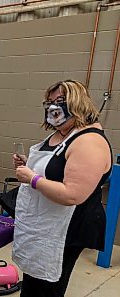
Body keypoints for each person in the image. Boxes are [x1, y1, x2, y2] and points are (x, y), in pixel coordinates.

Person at [12, 79, 111, 297]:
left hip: (67, 228)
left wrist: (33, 178)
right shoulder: (63, 133)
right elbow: (58, 168)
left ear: (77, 103)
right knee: (33, 281)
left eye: (60, 101)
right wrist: (29, 164)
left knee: (48, 287)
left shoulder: (89, 141)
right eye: (49, 102)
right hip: (44, 223)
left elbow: (72, 194)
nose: (53, 107)